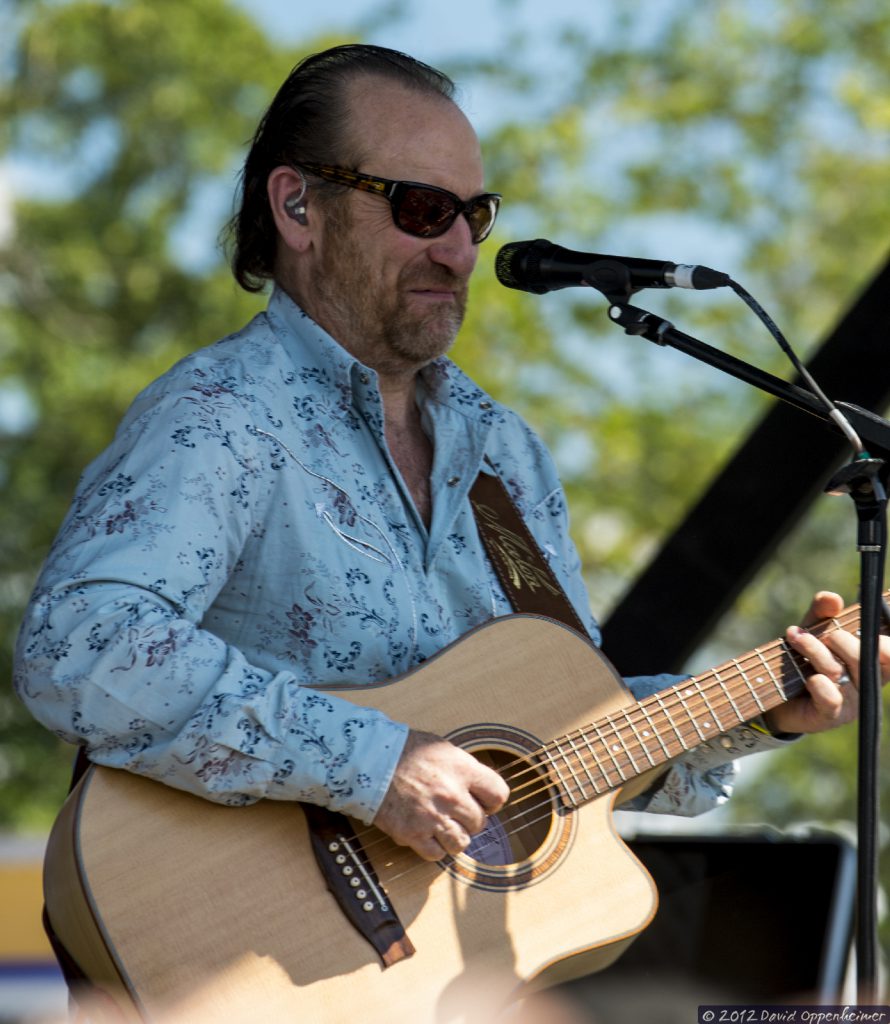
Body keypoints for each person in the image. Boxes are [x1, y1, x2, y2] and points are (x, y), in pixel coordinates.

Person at [14, 44, 885, 868]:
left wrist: (760, 709)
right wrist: (375, 766)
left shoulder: (508, 456)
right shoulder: (223, 416)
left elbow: (563, 746)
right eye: (422, 209)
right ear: (297, 207)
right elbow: (77, 647)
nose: (462, 250)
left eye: (474, 214)